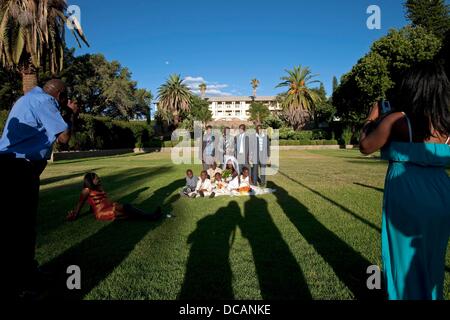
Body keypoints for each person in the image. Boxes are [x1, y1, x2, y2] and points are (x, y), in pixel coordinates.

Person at [359, 61, 450, 300]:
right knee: (432, 258)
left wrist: (371, 118)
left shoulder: (399, 120)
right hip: (442, 193)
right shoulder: (446, 125)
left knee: (402, 257)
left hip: (408, 193)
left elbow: (365, 146)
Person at [0, 79, 78, 299]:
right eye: (65, 98)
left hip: (11, 167)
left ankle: (28, 272)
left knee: (18, 226)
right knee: (20, 228)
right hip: (18, 169)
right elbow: (64, 137)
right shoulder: (46, 101)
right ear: (61, 96)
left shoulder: (28, 99)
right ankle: (21, 283)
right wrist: (71, 113)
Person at [67, 173, 163, 221]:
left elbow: (96, 201)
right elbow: (80, 204)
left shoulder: (98, 186)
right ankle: (151, 216)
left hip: (110, 206)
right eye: (97, 178)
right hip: (102, 212)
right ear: (91, 180)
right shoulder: (86, 190)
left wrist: (91, 209)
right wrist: (74, 215)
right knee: (127, 209)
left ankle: (150, 216)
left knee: (127, 209)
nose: (99, 178)